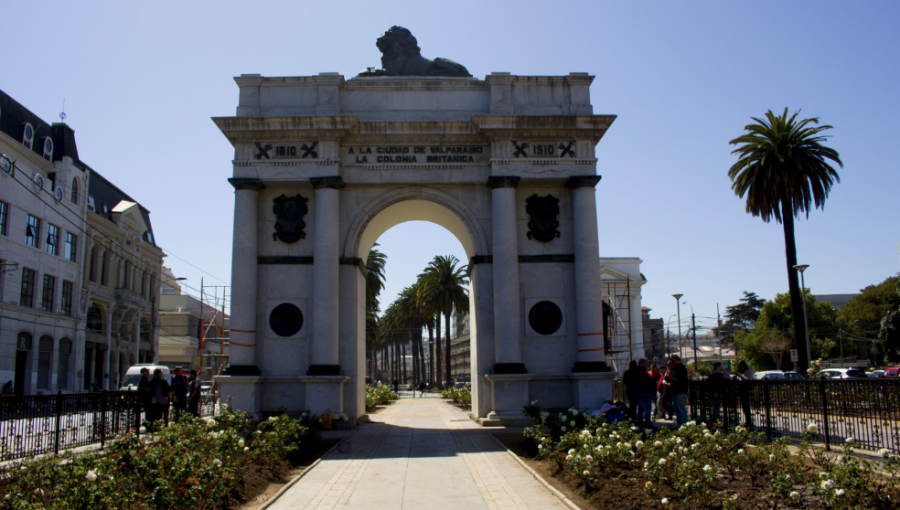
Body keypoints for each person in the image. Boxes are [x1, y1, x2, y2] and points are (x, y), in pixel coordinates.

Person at [633, 359, 654, 427]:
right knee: (647, 407)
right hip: (643, 392)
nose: (647, 365)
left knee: (640, 408)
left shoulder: (637, 371)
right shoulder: (641, 372)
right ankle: (647, 422)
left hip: (638, 392)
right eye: (645, 364)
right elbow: (645, 383)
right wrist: (648, 391)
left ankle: (640, 421)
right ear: (641, 364)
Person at [734, 360, 755, 427]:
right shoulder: (743, 372)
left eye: (741, 366)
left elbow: (747, 379)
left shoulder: (747, 371)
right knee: (744, 406)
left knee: (746, 406)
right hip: (742, 391)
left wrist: (740, 376)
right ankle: (747, 421)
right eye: (739, 366)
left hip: (746, 391)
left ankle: (749, 421)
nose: (740, 368)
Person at [670, 355, 689, 426]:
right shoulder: (674, 368)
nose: (672, 363)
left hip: (680, 390)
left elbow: (681, 379)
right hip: (675, 390)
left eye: (673, 361)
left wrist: (673, 379)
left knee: (681, 408)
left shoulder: (681, 367)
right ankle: (679, 423)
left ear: (677, 360)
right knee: (677, 408)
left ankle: (684, 423)